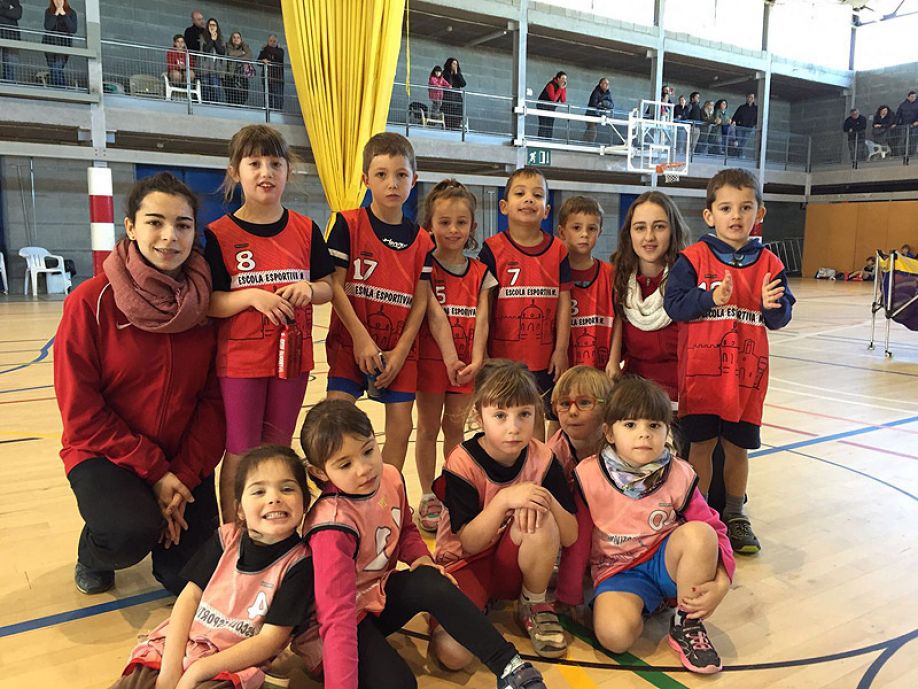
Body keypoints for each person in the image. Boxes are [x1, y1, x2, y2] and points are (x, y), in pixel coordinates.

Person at [295, 399, 548, 689]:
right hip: (333, 629)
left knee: (430, 579)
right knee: (400, 684)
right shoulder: (331, 528)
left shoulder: (389, 476)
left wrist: (421, 559)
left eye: (368, 451)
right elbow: (336, 618)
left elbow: (404, 530)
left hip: (373, 599)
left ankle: (511, 667)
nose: (363, 469)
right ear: (320, 472)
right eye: (345, 464)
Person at [54, 172, 224, 596]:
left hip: (181, 461)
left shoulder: (207, 307)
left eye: (182, 225)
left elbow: (214, 402)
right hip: (105, 454)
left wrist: (182, 475)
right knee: (128, 531)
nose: (169, 236)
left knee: (190, 578)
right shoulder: (90, 302)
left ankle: (156, 524)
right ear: (130, 227)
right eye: (155, 222)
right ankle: (94, 551)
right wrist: (156, 473)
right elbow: (81, 413)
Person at [555, 377, 735, 674]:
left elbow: (715, 531)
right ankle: (648, 603)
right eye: (630, 425)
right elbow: (579, 539)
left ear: (667, 430)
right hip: (619, 570)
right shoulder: (589, 475)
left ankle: (687, 623)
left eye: (654, 425)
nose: (644, 434)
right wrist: (569, 594)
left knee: (700, 534)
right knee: (614, 637)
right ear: (608, 432)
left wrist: (723, 580)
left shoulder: (679, 473)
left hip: (666, 562)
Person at [204, 124, 334, 521]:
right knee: (241, 449)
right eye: (255, 163)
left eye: (275, 164)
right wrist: (251, 297)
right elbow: (209, 302)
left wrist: (309, 289)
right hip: (241, 363)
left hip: (292, 360)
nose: (266, 173)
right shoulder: (218, 234)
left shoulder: (306, 229)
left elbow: (328, 287)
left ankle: (274, 527)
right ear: (235, 172)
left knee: (278, 449)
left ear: (288, 171)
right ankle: (233, 531)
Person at [664, 168, 795, 555]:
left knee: (738, 449)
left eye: (745, 207)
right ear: (709, 215)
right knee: (701, 446)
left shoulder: (770, 264)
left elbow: (781, 318)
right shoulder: (692, 260)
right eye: (726, 208)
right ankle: (699, 512)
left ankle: (736, 515)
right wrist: (709, 298)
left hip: (746, 378)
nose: (735, 215)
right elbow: (674, 306)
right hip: (701, 376)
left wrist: (774, 307)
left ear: (759, 213)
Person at [111, 446, 314, 689]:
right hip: (182, 645)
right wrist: (171, 667)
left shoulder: (300, 563)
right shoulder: (226, 538)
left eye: (287, 489)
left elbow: (269, 641)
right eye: (259, 491)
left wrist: (197, 671)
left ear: (305, 503)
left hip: (231, 665)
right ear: (240, 509)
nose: (274, 498)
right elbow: (189, 597)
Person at [431, 361, 578, 663]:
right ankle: (482, 600)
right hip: (463, 565)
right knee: (453, 655)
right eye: (500, 415)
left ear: (536, 413)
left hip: (509, 564)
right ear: (479, 416)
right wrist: (504, 500)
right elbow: (470, 543)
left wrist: (546, 499)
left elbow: (570, 534)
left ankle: (533, 603)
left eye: (524, 414)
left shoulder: (543, 457)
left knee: (539, 513)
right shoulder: (461, 463)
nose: (514, 427)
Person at [324, 132, 433, 471]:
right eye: (382, 174)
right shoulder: (347, 224)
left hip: (399, 349)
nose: (392, 183)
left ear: (414, 180)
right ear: (365, 179)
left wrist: (400, 353)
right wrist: (361, 338)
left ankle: (388, 495)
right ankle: (341, 492)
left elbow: (420, 302)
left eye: (401, 175)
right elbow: (334, 285)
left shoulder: (423, 241)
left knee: (401, 427)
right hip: (350, 343)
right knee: (336, 422)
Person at [415, 180, 494, 532]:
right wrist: (450, 359)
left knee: (455, 430)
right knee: (428, 428)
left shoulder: (480, 273)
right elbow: (434, 318)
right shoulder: (425, 268)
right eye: (444, 222)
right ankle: (427, 494)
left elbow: (483, 320)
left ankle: (452, 489)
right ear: (430, 225)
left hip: (467, 366)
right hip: (433, 364)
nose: (453, 229)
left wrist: (476, 362)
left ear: (472, 226)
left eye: (461, 222)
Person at [480, 166, 571, 440]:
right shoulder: (492, 248)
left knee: (535, 418)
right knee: (501, 417)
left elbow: (564, 303)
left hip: (543, 357)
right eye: (520, 193)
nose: (529, 199)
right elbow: (484, 307)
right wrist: (482, 353)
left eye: (537, 195)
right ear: (504, 206)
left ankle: (536, 465)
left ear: (547, 210)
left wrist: (561, 349)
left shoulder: (558, 250)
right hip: (502, 358)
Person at [609, 191, 689, 455]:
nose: (649, 237)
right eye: (640, 227)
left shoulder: (690, 281)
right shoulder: (618, 281)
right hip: (636, 400)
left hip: (682, 402)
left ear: (673, 231)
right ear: (629, 233)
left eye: (659, 227)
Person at [556, 195, 614, 373]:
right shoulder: (553, 273)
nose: (584, 234)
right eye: (576, 228)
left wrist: (614, 360)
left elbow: (618, 320)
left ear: (600, 232)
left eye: (592, 228)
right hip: (562, 369)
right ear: (562, 232)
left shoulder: (610, 274)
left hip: (600, 370)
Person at [546, 365, 614, 487]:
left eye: (584, 402)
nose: (572, 411)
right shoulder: (551, 458)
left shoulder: (622, 446)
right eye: (565, 403)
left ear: (607, 407)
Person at [42, 0, 77, 88]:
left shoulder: (71, 12)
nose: (57, 1)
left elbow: (73, 29)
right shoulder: (49, 11)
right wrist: (56, 13)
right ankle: (60, 87)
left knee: (57, 66)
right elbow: (48, 27)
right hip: (50, 44)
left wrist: (64, 14)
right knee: (53, 67)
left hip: (64, 45)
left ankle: (59, 87)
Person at [199, 17, 226, 103]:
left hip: (216, 70)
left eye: (214, 25)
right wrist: (212, 39)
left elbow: (222, 52)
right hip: (205, 69)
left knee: (216, 91)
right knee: (205, 90)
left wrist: (215, 41)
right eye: (210, 25)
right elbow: (205, 50)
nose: (212, 27)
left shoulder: (221, 38)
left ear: (217, 27)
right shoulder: (203, 37)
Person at [224, 31, 253, 106]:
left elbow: (249, 56)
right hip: (231, 76)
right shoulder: (228, 45)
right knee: (231, 97)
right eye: (234, 37)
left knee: (243, 97)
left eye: (238, 37)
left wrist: (238, 56)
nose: (236, 39)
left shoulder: (245, 46)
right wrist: (242, 53)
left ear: (241, 39)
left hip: (243, 77)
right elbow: (230, 54)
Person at [257, 34, 285, 110]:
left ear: (277, 42)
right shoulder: (264, 51)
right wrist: (263, 60)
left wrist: (266, 47)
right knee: (267, 99)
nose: (272, 43)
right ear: (268, 41)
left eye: (274, 41)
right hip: (267, 79)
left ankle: (277, 113)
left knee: (278, 100)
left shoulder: (280, 50)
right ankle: (268, 112)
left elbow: (278, 55)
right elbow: (258, 61)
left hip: (277, 79)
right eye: (270, 41)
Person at [537, 71, 567, 139]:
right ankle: (541, 141)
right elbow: (553, 99)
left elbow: (563, 100)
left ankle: (548, 141)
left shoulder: (561, 87)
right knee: (543, 125)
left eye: (565, 79)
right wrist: (560, 89)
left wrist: (563, 89)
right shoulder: (551, 85)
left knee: (550, 125)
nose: (564, 81)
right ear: (558, 79)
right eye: (563, 78)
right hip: (543, 107)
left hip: (551, 108)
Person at [584, 77, 613, 143]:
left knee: (590, 131)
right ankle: (588, 145)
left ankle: (584, 143)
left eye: (608, 84)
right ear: (601, 84)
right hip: (591, 115)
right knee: (592, 132)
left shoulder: (608, 93)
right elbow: (594, 104)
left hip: (600, 116)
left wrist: (603, 103)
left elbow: (612, 105)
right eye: (605, 83)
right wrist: (603, 105)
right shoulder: (596, 92)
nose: (607, 85)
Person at [0, 0, 22, 83]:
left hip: (11, 37)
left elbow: (17, 14)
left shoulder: (14, 1)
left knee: (10, 66)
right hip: (7, 35)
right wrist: (9, 8)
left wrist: (3, 7)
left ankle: (10, 85)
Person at [441, 57, 466, 130]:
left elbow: (463, 84)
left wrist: (456, 74)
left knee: (457, 117)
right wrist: (451, 73)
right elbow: (448, 83)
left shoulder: (458, 74)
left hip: (457, 100)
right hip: (448, 99)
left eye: (456, 64)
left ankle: (456, 129)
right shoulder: (445, 73)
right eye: (453, 64)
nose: (455, 66)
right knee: (448, 118)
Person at [731, 93, 757, 158]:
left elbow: (757, 118)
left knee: (744, 142)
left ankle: (739, 154)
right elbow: (735, 116)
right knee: (739, 141)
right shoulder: (742, 107)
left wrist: (754, 124)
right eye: (749, 97)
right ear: (747, 98)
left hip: (749, 128)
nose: (751, 99)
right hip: (740, 127)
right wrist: (734, 121)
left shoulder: (756, 109)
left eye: (752, 98)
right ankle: (738, 154)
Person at [893, 90, 918, 156]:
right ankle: (903, 153)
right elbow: (898, 115)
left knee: (913, 139)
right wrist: (895, 123)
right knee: (904, 139)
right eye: (912, 97)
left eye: (915, 97)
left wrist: (917, 122)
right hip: (905, 125)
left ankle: (912, 153)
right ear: (908, 97)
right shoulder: (902, 105)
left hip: (915, 126)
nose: (913, 98)